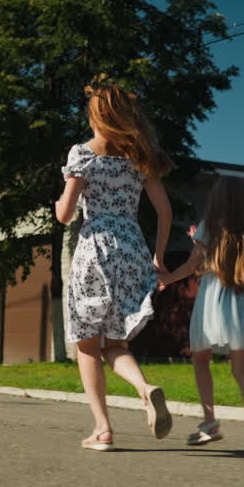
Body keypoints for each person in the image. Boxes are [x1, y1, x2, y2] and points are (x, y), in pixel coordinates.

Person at [55, 81, 174, 452]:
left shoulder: (83, 154)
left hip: (95, 249)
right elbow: (165, 212)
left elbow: (65, 214)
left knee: (87, 345)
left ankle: (103, 429)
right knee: (116, 342)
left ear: (96, 115)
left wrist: (61, 197)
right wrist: (158, 256)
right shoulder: (139, 157)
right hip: (132, 248)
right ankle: (144, 387)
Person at [157, 176, 244, 455]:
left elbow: (192, 266)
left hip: (214, 297)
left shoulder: (209, 228)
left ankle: (209, 423)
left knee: (201, 358)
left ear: (216, 201)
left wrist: (167, 279)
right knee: (241, 369)